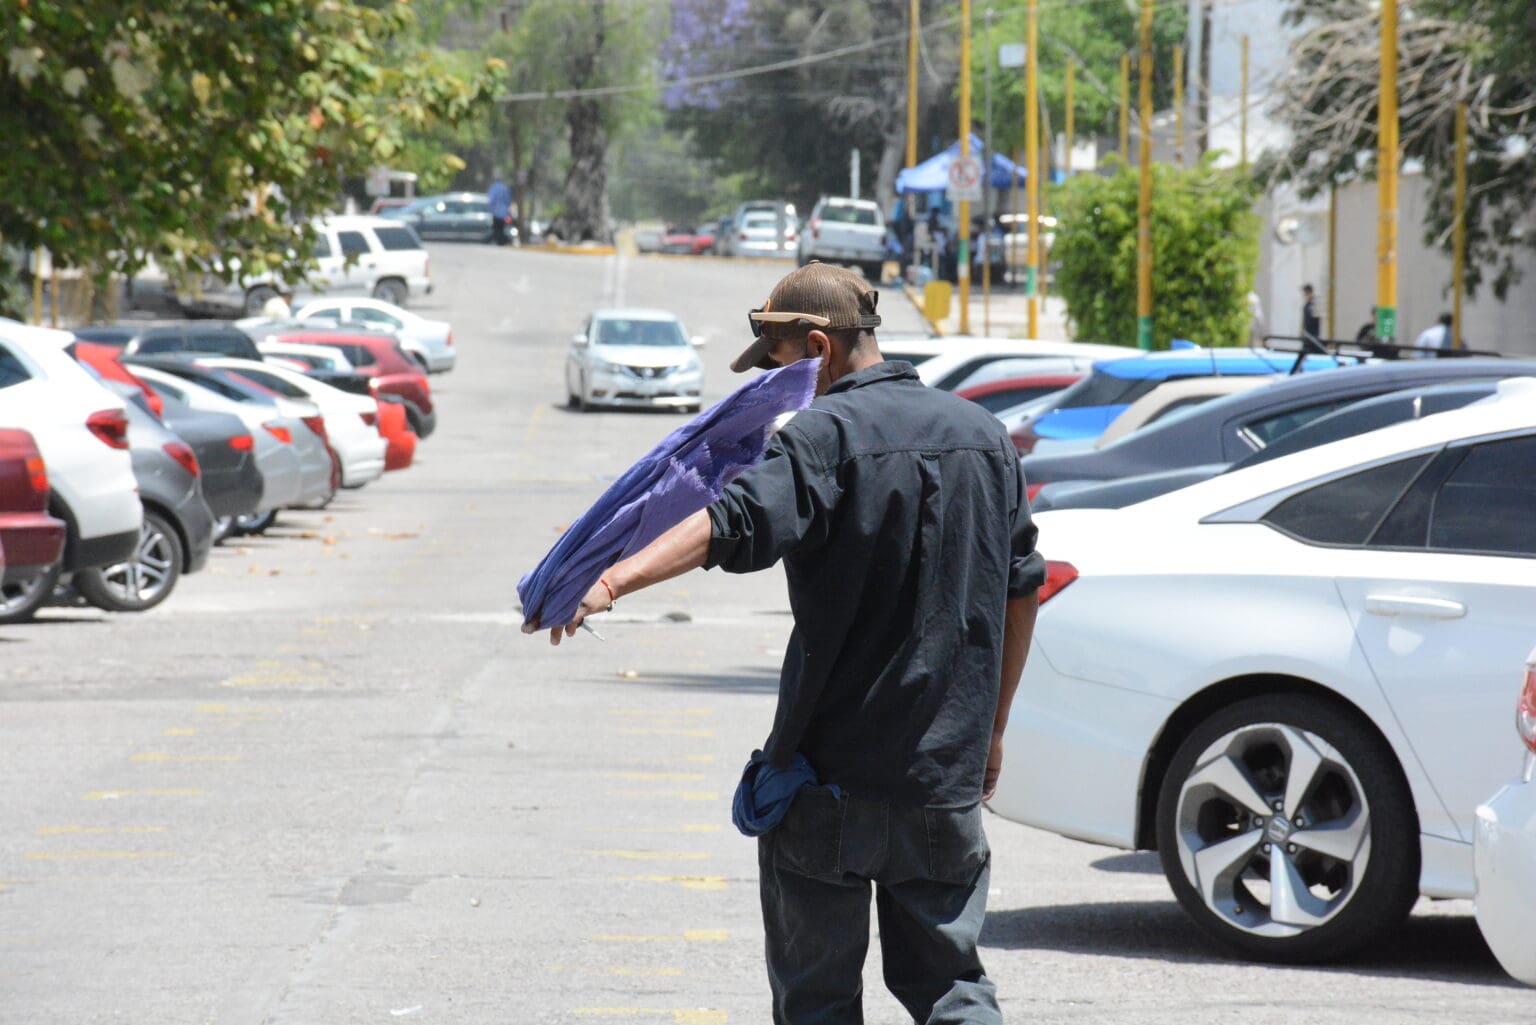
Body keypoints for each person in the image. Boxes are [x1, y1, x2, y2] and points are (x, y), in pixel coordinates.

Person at [533, 262, 1046, 1025]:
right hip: (942, 782)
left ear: (818, 347)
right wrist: (994, 728)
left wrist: (610, 578)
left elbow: (730, 521)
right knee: (953, 992)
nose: (776, 386)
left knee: (817, 1004)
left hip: (826, 783)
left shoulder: (821, 435)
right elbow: (1021, 589)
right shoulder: (984, 437)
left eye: (777, 365)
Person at [487, 176, 513, 246]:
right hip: (504, 213)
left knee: (496, 228)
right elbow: (508, 200)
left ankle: (499, 240)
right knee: (502, 228)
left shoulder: (493, 188)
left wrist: (490, 209)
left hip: (496, 213)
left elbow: (491, 200)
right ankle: (501, 241)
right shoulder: (505, 188)